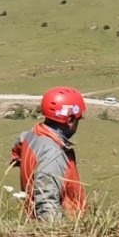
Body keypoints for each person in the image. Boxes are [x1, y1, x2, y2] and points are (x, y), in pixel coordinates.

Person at [11, 87, 87, 221]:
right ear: (70, 120)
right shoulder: (52, 153)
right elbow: (47, 203)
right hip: (64, 230)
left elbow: (17, 149)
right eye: (78, 119)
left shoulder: (32, 134)